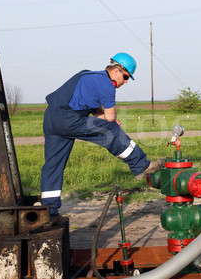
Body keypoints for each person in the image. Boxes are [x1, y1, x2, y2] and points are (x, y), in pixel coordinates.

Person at [40, 52, 164, 219]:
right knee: (112, 131)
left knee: (53, 164)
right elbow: (110, 118)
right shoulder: (107, 85)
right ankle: (141, 165)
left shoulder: (87, 75)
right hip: (69, 119)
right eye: (126, 77)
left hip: (51, 119)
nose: (126, 82)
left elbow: (97, 112)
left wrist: (107, 119)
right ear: (116, 71)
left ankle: (49, 210)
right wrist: (110, 122)